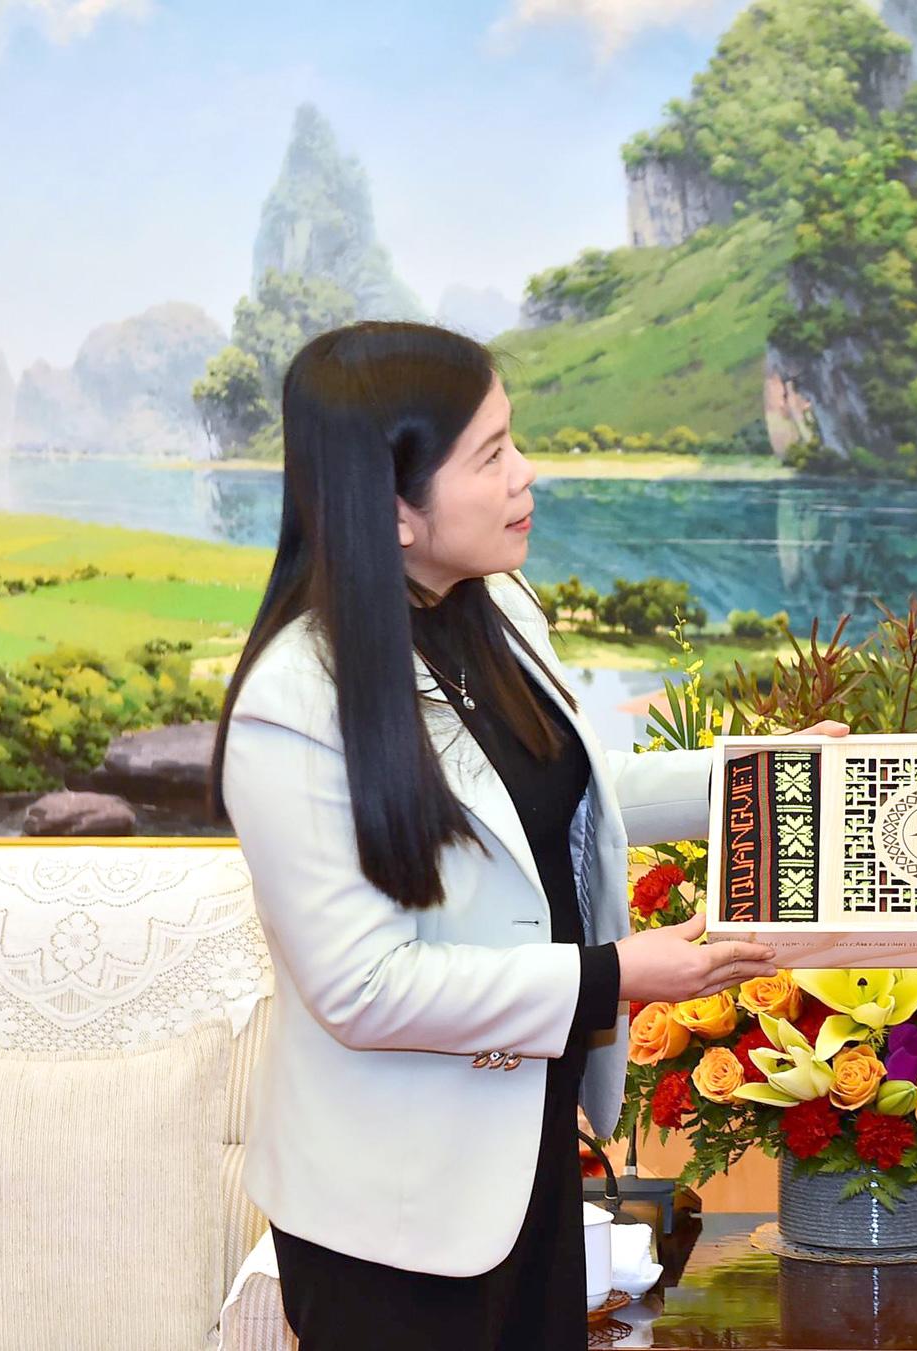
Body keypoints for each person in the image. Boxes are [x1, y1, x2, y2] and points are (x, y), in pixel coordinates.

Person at [211, 321, 843, 1349]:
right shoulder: (294, 704)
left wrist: (765, 781)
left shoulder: (493, 605)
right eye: (492, 453)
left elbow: (565, 788)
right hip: (394, 1211)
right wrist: (613, 973)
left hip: (525, 1155)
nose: (526, 473)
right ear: (394, 507)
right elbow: (363, 987)